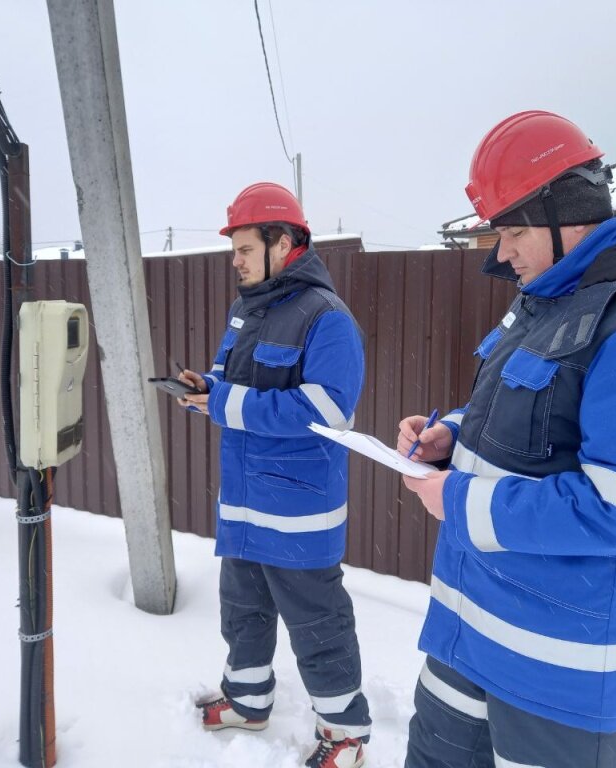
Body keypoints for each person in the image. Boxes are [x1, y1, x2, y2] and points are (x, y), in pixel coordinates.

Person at [396, 110, 616, 767]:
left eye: (514, 229)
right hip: (470, 635)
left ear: (567, 212)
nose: (501, 252)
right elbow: (536, 423)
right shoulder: (548, 302)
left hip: (563, 681)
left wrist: (458, 502)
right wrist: (450, 437)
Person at [177, 182, 371, 768]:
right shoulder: (245, 310)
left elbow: (328, 412)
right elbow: (225, 375)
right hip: (241, 501)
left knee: (318, 624)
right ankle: (247, 699)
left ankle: (345, 736)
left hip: (298, 508)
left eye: (243, 248)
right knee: (242, 610)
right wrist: (206, 389)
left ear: (282, 242)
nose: (234, 261)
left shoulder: (328, 320)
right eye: (232, 249)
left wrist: (227, 404)